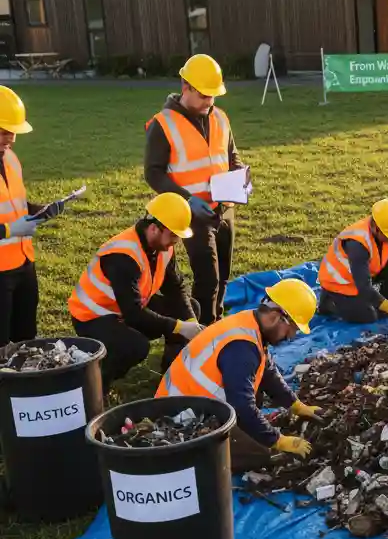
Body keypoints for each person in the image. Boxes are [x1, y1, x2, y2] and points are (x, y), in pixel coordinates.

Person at [157, 279, 322, 469]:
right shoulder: (241, 348)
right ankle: (197, 458)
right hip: (181, 422)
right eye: (292, 328)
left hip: (190, 403)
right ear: (277, 317)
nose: (291, 336)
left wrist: (296, 405)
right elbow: (242, 406)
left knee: (255, 401)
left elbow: (267, 372)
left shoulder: (248, 323)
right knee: (260, 453)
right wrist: (278, 440)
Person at [145, 54, 247, 325]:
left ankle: (217, 320)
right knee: (208, 279)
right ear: (185, 86)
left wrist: (241, 176)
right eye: (204, 95)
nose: (209, 102)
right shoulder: (163, 124)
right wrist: (187, 200)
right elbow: (153, 173)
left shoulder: (221, 118)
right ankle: (204, 332)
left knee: (223, 275)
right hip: (192, 215)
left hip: (225, 209)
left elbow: (231, 155)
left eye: (214, 95)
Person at [69, 194, 201, 391]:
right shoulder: (123, 255)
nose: (176, 242)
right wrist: (178, 327)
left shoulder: (163, 247)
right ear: (155, 228)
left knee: (192, 307)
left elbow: (176, 287)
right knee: (134, 346)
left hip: (128, 307)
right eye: (174, 235)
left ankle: (171, 375)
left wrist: (190, 322)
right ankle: (94, 386)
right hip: (93, 316)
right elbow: (134, 315)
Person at [0, 86, 59, 345]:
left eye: (13, 132)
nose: (10, 139)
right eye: (3, 132)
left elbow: (16, 204)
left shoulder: (11, 159)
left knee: (26, 340)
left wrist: (39, 210)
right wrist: (11, 230)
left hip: (24, 264)